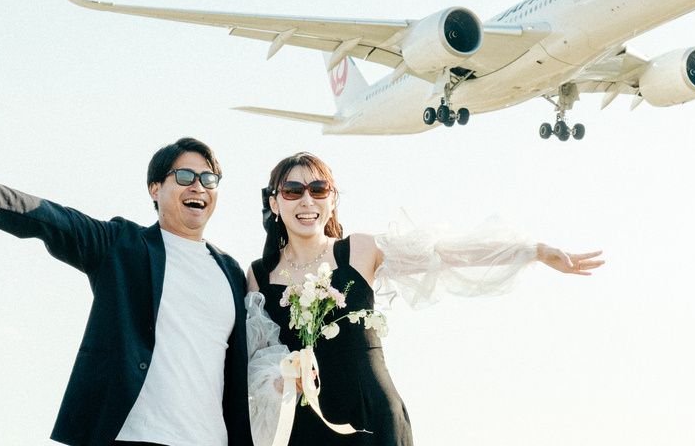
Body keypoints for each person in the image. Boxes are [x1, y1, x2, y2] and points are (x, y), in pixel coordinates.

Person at [245, 153, 604, 445]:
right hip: (306, 425)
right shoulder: (260, 275)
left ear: (332, 199)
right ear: (275, 203)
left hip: (372, 415)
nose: (307, 200)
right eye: (293, 191)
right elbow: (257, 358)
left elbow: (447, 253)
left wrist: (534, 250)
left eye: (319, 189)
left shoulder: (360, 250)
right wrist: (280, 382)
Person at [0, 137, 252, 446]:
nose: (198, 186)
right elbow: (54, 220)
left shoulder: (231, 272)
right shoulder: (122, 245)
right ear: (155, 188)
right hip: (134, 436)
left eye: (208, 179)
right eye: (185, 176)